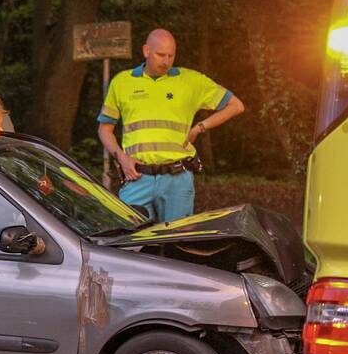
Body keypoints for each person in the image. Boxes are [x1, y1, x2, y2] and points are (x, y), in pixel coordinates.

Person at [97, 28, 245, 223]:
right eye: (160, 55)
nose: (166, 61)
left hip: (177, 180)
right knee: (130, 242)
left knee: (176, 245)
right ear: (146, 51)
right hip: (137, 178)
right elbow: (104, 129)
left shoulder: (191, 81)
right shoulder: (122, 82)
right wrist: (122, 157)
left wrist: (200, 127)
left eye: (171, 55)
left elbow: (236, 105)